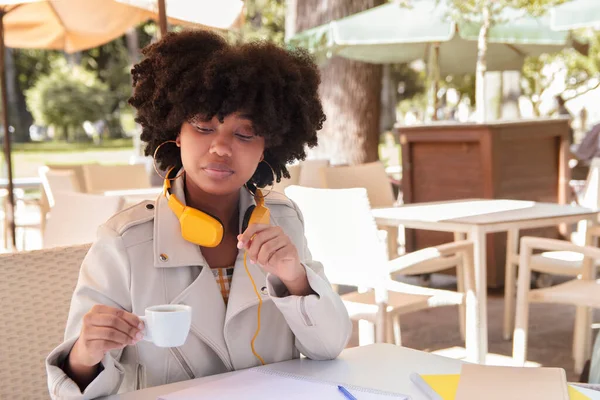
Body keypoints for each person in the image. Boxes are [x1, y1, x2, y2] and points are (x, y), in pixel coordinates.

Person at [46, 30, 352, 399]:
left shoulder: (283, 219)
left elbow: (329, 348)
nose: (221, 148)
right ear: (175, 131)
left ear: (267, 145)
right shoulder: (125, 240)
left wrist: (296, 279)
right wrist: (85, 354)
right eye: (204, 127)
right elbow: (70, 391)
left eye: (245, 134)